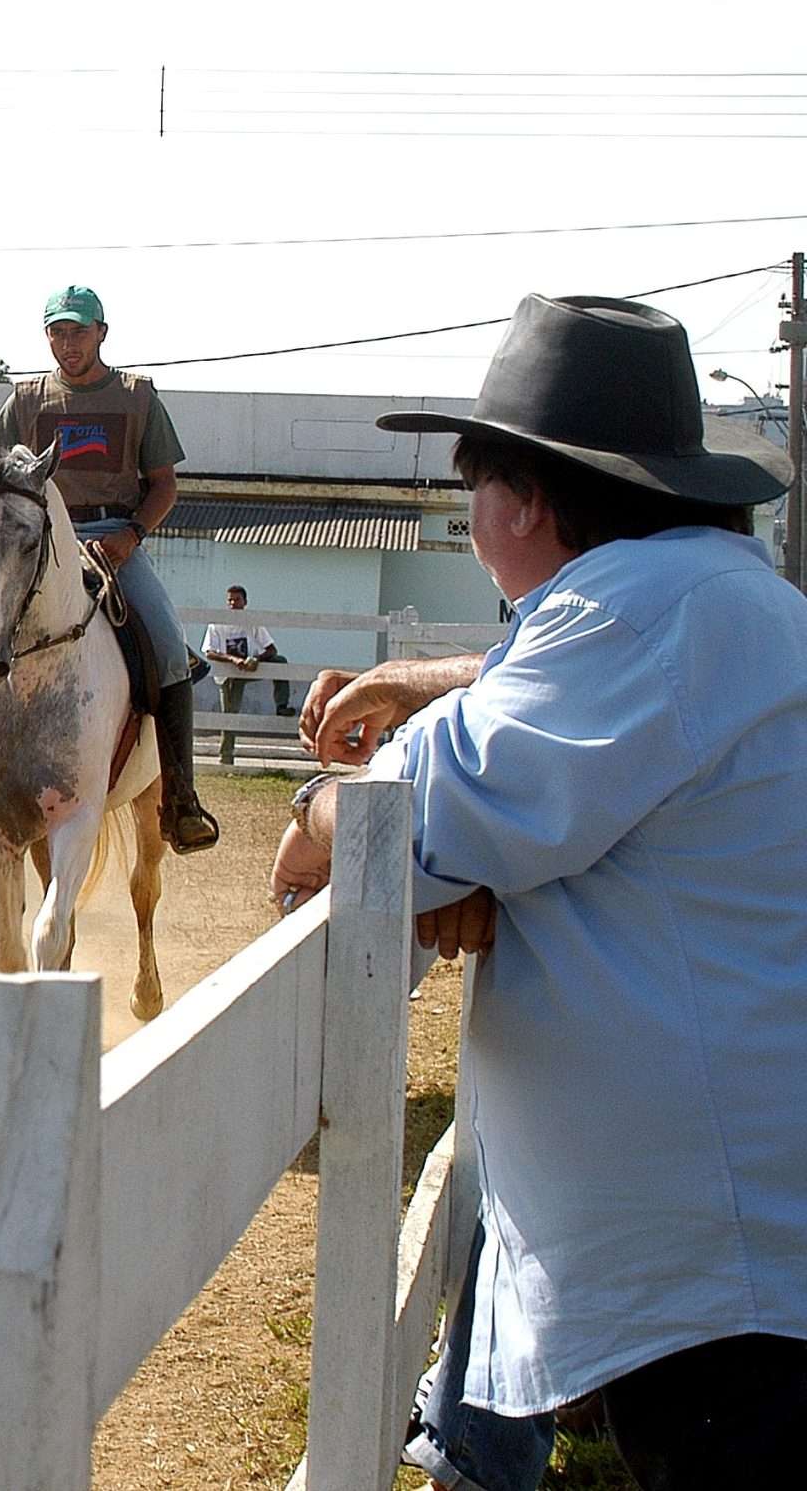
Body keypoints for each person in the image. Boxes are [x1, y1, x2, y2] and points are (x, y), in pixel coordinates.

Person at [268, 294, 806, 1491]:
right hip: (736, 1252)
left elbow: (409, 821)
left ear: (528, 500)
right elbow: (510, 734)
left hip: (714, 1286)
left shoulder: (632, 614)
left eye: (474, 487)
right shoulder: (706, 597)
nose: (470, 519)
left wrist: (314, 815)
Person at [0, 284, 219, 853]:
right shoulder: (26, 401)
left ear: (102, 334)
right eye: (58, 332)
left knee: (165, 642)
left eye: (79, 332)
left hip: (113, 539)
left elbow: (164, 485)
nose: (68, 344)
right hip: (33, 545)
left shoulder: (137, 396)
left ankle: (180, 797)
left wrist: (132, 534)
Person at [201, 584, 290, 766]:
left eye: (237, 600)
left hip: (249, 667)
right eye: (230, 600)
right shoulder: (217, 623)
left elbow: (271, 649)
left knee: (280, 662)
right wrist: (233, 660)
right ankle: (226, 757)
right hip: (229, 673)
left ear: (245, 602)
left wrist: (256, 659)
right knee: (230, 714)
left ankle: (282, 705)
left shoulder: (251, 621)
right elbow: (209, 652)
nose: (233, 604)